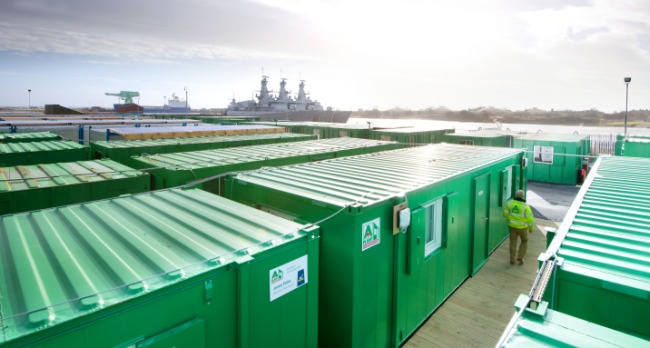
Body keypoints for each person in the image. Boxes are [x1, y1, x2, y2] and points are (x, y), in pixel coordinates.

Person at [503, 189, 535, 265]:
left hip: (512, 227)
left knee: (513, 242)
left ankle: (512, 259)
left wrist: (509, 220)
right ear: (523, 196)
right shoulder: (525, 207)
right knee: (524, 241)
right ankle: (520, 258)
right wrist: (531, 229)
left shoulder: (509, 203)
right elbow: (530, 219)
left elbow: (505, 214)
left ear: (516, 195)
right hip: (523, 228)